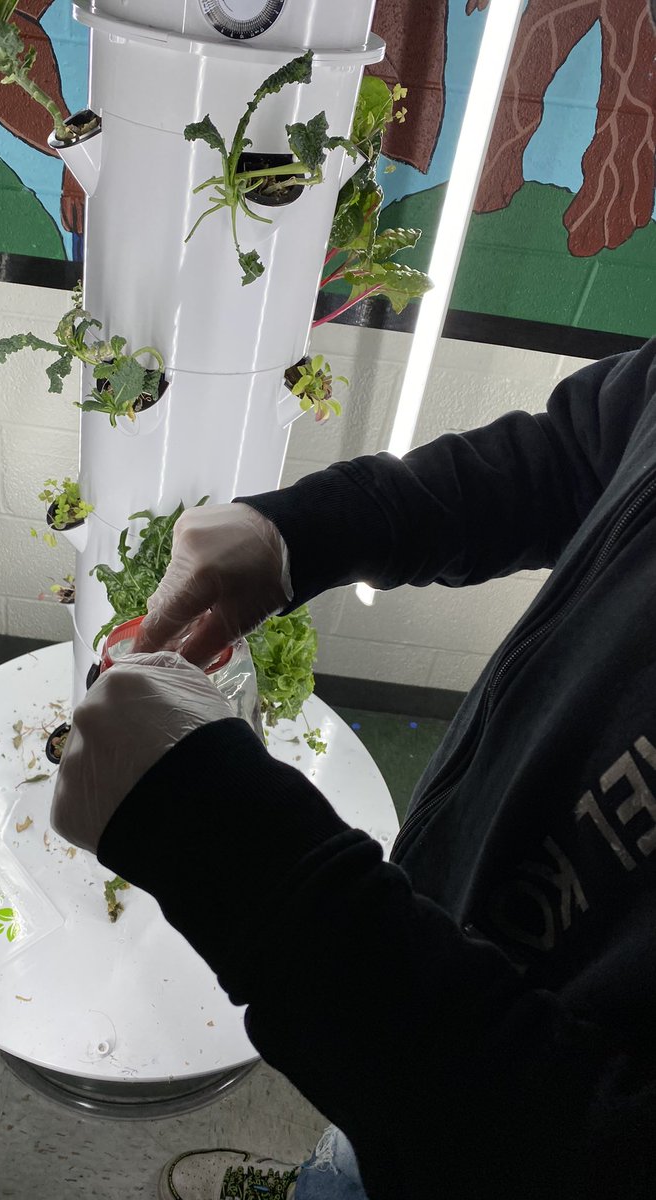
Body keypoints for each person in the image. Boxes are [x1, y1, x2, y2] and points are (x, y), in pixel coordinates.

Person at [53, 339, 656, 1200]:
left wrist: (232, 847)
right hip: (430, 987)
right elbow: (583, 449)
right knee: (355, 1161)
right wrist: (305, 528)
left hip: (481, 1116)